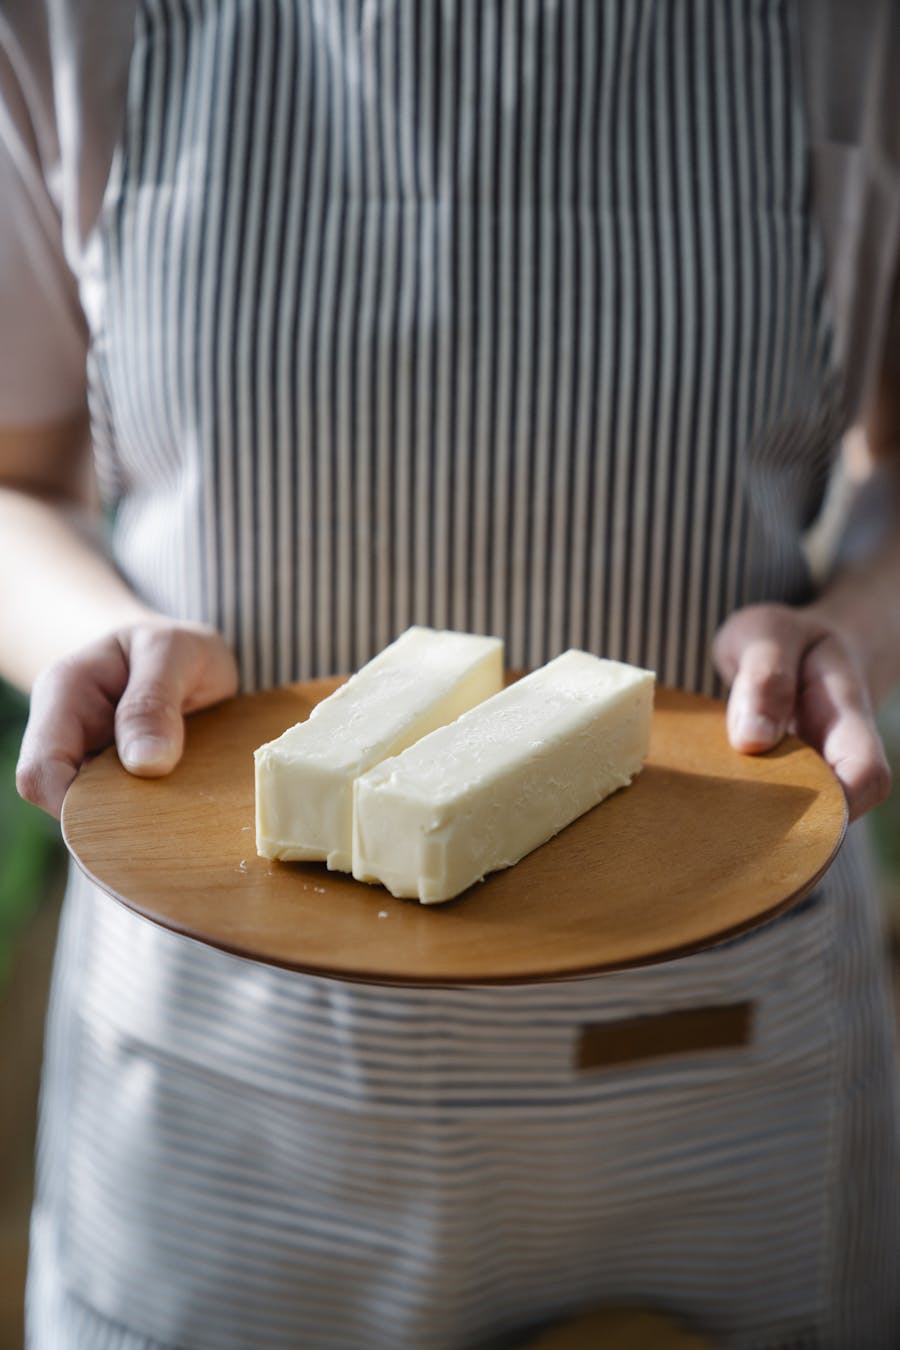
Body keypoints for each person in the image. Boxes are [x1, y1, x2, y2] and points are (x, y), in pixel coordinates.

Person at [1, 1, 898, 1346]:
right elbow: (18, 475)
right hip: (216, 1093)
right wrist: (90, 628)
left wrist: (864, 629)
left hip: (711, 1076)